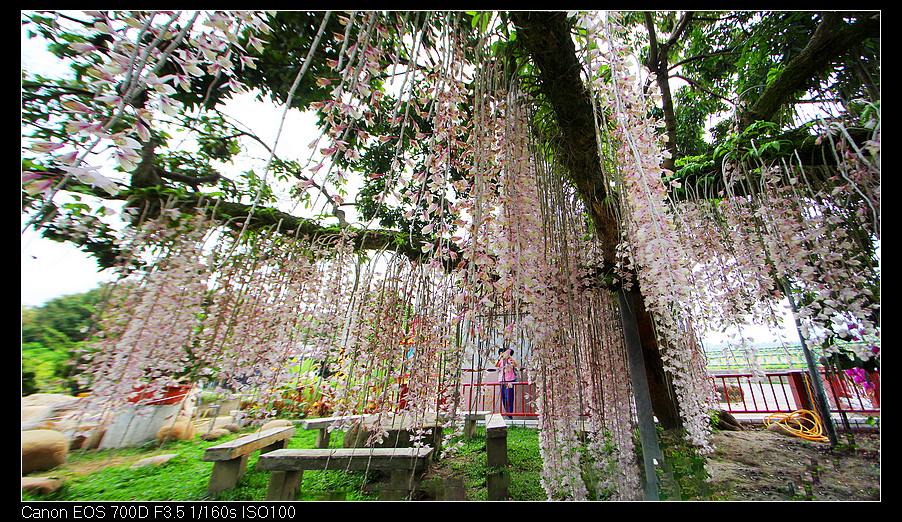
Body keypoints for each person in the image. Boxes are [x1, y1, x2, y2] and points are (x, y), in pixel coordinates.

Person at [495, 347, 518, 419]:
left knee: (510, 397)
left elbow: (516, 364)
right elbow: (496, 365)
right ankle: (507, 412)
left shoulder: (510, 360)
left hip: (510, 380)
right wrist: (500, 357)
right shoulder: (501, 361)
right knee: (503, 397)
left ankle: (509, 415)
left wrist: (509, 356)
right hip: (502, 381)